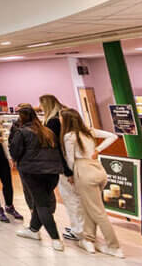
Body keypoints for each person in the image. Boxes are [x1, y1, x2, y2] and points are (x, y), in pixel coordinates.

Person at [59, 108, 122, 257]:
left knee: (97, 211)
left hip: (83, 171)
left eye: (61, 118)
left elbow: (70, 159)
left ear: (66, 120)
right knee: (89, 206)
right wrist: (97, 150)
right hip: (98, 170)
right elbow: (112, 136)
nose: (59, 120)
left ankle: (114, 246)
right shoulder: (89, 132)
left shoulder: (69, 136)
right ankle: (89, 239)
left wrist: (71, 174)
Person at [9, 105, 64, 251]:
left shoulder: (21, 132)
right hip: (52, 173)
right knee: (43, 201)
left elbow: (15, 151)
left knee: (41, 205)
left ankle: (55, 239)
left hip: (33, 172)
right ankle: (33, 230)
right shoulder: (47, 131)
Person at [40, 94, 83, 242]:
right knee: (75, 198)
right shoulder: (65, 117)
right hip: (76, 165)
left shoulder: (53, 122)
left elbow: (59, 148)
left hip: (64, 166)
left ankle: (79, 230)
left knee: (71, 198)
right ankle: (79, 227)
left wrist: (66, 170)